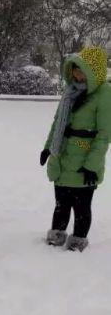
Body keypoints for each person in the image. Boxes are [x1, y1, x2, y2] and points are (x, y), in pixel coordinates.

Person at [40, 46, 111, 251]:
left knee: (81, 208)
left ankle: (78, 241)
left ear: (93, 71)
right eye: (74, 69)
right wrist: (47, 148)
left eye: (81, 69)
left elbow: (104, 135)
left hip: (84, 162)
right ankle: (56, 237)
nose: (76, 73)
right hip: (61, 157)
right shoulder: (70, 91)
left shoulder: (104, 94)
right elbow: (57, 123)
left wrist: (92, 165)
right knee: (61, 205)